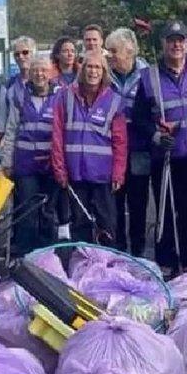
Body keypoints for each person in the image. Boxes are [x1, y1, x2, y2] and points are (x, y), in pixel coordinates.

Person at [132, 20, 187, 273]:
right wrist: (156, 136)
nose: (176, 45)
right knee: (166, 212)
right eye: (171, 40)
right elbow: (139, 118)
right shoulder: (149, 76)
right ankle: (166, 261)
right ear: (163, 44)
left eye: (181, 40)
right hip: (166, 157)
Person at [50, 51, 127, 244]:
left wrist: (118, 173)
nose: (93, 71)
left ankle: (108, 265)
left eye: (98, 67)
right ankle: (83, 265)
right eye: (89, 67)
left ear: (104, 72)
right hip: (75, 174)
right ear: (82, 70)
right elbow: (57, 135)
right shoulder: (65, 96)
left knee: (107, 225)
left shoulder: (114, 101)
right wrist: (59, 169)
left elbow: (120, 141)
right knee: (80, 225)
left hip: (103, 176)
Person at [0, 57, 61, 253]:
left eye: (43, 70)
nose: (39, 74)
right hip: (25, 165)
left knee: (49, 211)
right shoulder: (20, 97)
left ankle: (48, 252)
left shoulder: (60, 97)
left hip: (51, 165)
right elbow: (11, 130)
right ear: (30, 74)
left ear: (50, 73)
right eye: (35, 71)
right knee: (27, 210)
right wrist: (7, 160)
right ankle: (26, 253)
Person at [106, 27, 151, 256]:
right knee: (115, 204)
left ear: (130, 50)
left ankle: (139, 251)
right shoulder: (104, 74)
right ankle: (118, 249)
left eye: (114, 51)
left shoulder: (148, 74)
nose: (109, 55)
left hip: (140, 149)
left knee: (138, 204)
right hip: (113, 150)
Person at [0, 35, 37, 174]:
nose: (21, 57)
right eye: (17, 54)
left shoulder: (48, 83)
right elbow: (1, 120)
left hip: (43, 148)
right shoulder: (8, 86)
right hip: (16, 149)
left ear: (34, 53)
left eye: (25, 52)